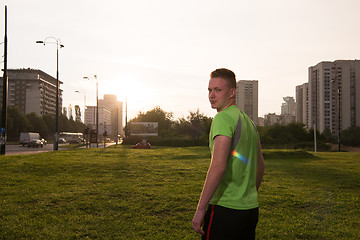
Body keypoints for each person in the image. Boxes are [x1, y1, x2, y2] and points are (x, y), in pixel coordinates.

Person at [192, 68, 265, 239]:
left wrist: (201, 209)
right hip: (250, 210)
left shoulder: (222, 118)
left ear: (232, 92)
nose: (212, 95)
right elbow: (260, 165)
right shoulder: (249, 122)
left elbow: (218, 166)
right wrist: (248, 193)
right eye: (210, 90)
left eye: (218, 90)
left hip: (225, 209)